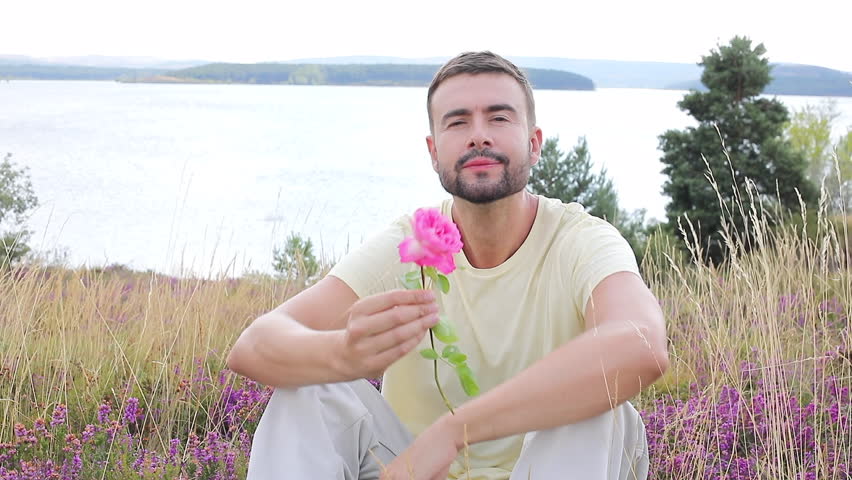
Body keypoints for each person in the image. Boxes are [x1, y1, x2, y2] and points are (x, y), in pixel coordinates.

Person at [226, 51, 669, 480]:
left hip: (544, 468)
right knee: (310, 390)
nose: (479, 136)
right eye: (458, 122)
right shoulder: (413, 243)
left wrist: (457, 431)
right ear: (434, 151)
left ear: (534, 144)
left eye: (499, 118)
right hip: (412, 471)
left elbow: (641, 342)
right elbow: (254, 345)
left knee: (603, 409)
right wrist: (341, 353)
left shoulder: (579, 239)